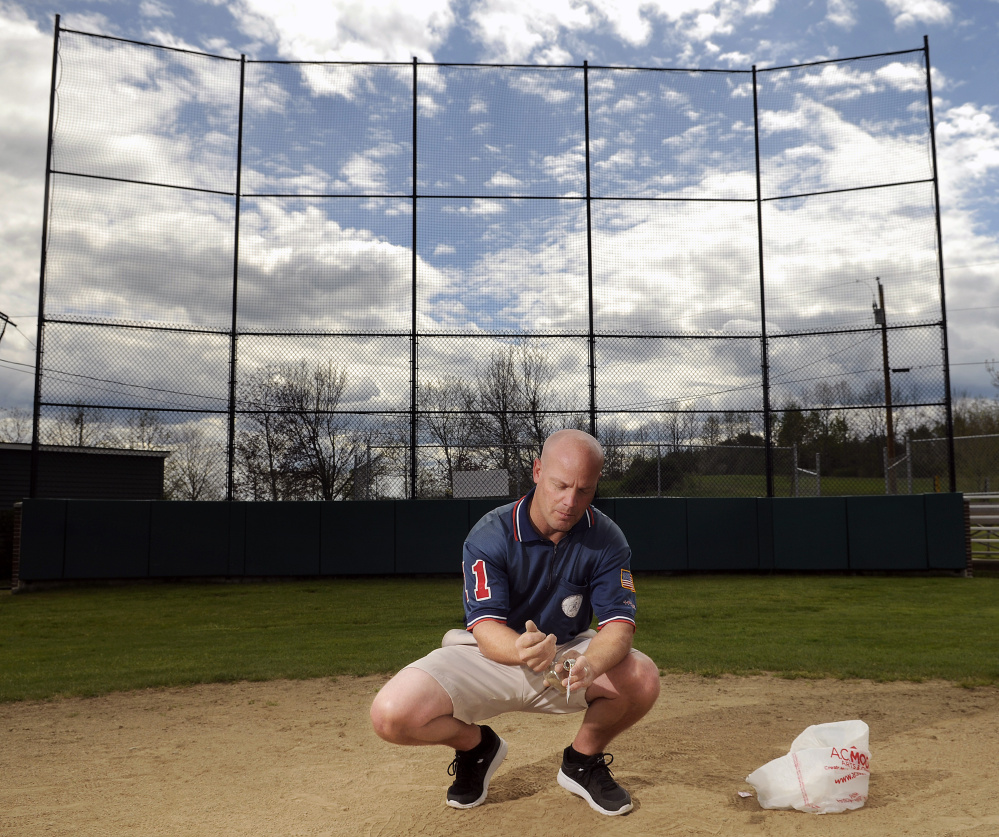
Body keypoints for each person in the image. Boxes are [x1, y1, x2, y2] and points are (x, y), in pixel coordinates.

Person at [370, 429, 661, 816]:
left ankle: (581, 762)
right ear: (537, 470)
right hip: (489, 655)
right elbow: (487, 630)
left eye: (584, 490)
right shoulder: (490, 533)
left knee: (643, 677)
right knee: (390, 714)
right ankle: (477, 748)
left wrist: (587, 664)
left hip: (566, 657)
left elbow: (619, 627)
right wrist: (519, 647)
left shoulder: (607, 538)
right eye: (560, 485)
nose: (570, 501)